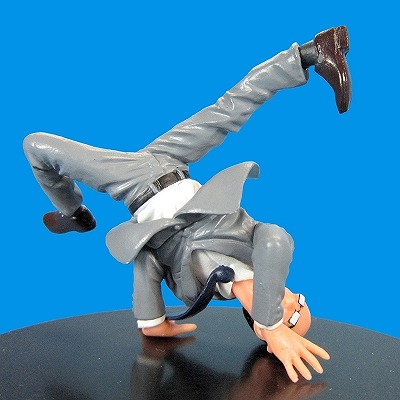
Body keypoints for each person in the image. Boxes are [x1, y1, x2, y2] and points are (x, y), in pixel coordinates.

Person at [23, 26, 351, 382]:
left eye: (293, 315)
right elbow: (276, 239)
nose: (292, 301)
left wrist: (152, 320)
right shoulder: (256, 247)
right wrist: (271, 324)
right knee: (230, 107)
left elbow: (148, 262)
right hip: (171, 160)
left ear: (257, 323)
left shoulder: (200, 285)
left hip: (133, 183)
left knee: (36, 146)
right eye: (300, 301)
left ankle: (74, 214)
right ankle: (313, 52)